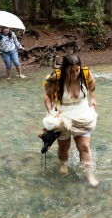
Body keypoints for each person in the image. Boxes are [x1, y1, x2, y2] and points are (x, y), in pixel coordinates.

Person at [42, 54, 98, 186]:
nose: (75, 74)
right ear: (64, 69)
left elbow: (91, 83)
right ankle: (63, 164)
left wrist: (93, 98)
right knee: (64, 146)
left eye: (77, 70)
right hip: (63, 113)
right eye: (71, 71)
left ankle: (89, 175)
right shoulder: (55, 78)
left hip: (82, 113)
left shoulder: (85, 73)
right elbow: (47, 95)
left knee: (84, 146)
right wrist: (50, 111)